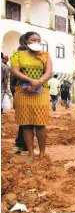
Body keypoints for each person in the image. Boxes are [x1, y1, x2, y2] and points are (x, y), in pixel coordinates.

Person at [10, 31, 53, 161]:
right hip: (23, 92)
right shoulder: (17, 55)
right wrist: (30, 81)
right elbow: (15, 71)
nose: (36, 42)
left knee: (40, 124)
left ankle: (42, 153)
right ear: (25, 41)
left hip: (41, 92)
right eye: (33, 40)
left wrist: (37, 83)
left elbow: (48, 73)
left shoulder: (45, 55)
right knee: (26, 124)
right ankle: (30, 153)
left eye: (38, 40)